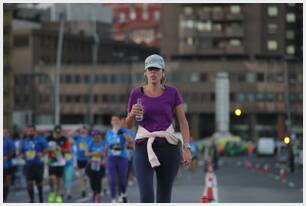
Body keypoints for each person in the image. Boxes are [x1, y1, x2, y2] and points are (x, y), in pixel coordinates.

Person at [126, 54, 192, 203]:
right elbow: (128, 125)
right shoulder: (136, 93)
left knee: (163, 197)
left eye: (156, 69)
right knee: (147, 197)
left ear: (163, 72)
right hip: (143, 146)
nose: (153, 73)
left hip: (167, 147)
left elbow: (183, 122)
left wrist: (186, 147)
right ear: (145, 72)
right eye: (150, 69)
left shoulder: (172, 92)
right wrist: (131, 114)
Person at [105, 114, 134, 203]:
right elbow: (108, 144)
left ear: (119, 121)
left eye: (117, 120)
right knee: (112, 179)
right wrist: (105, 157)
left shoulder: (124, 130)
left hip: (122, 157)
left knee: (122, 179)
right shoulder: (109, 132)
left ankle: (123, 193)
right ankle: (114, 198)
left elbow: (131, 141)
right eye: (113, 120)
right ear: (111, 122)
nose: (115, 122)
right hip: (111, 158)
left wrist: (122, 133)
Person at [20, 125, 49, 203]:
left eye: (31, 131)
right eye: (28, 131)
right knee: (29, 183)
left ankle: (40, 199)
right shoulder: (24, 141)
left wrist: (42, 153)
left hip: (38, 164)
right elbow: (21, 153)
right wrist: (22, 155)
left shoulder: (40, 139)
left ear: (35, 131)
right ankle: (32, 200)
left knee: (39, 183)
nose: (30, 132)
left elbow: (47, 148)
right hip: (28, 165)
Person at [47, 125, 70, 203]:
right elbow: (43, 148)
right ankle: (52, 192)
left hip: (61, 162)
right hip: (51, 161)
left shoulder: (64, 139)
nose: (57, 135)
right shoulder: (48, 138)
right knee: (51, 178)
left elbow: (68, 150)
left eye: (59, 133)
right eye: (56, 133)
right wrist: (51, 149)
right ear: (53, 132)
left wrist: (61, 149)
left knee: (58, 180)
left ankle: (58, 194)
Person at [85, 130, 107, 203]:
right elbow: (86, 154)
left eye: (97, 136)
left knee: (98, 181)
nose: (96, 138)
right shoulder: (91, 142)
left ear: (100, 136)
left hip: (100, 165)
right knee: (92, 181)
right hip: (92, 164)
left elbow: (106, 155)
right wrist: (94, 153)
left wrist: (103, 159)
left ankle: (98, 196)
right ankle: (94, 192)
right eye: (94, 137)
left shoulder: (104, 143)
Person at [73, 127, 92, 197]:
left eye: (84, 129)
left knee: (86, 175)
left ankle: (85, 185)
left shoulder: (90, 138)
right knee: (81, 175)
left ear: (86, 130)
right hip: (79, 158)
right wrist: (76, 129)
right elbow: (69, 135)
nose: (83, 130)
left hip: (87, 158)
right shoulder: (77, 137)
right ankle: (82, 189)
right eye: (82, 129)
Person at [63, 130, 76, 201]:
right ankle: (62, 192)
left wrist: (75, 164)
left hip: (69, 164)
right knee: (63, 179)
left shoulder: (73, 144)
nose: (69, 137)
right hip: (61, 164)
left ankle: (68, 193)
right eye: (68, 135)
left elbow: (74, 155)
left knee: (68, 178)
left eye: (71, 135)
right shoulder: (62, 143)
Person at [3, 128, 15, 202]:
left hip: (7, 165)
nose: (4, 134)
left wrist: (6, 157)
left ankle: (4, 198)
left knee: (6, 182)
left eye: (6, 133)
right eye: (3, 132)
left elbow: (12, 152)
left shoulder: (8, 141)